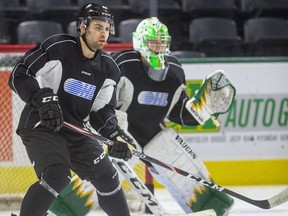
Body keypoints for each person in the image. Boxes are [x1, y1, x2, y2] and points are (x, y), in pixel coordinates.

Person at [8, 3, 135, 216]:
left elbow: (101, 111)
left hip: (75, 130)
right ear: (82, 27)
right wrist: (42, 98)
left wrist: (114, 135)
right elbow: (20, 75)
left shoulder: (109, 68)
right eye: (97, 27)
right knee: (57, 175)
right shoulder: (58, 47)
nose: (103, 33)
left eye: (106, 28)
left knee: (108, 176)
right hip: (41, 125)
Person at [112, 17, 235, 216]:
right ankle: (69, 205)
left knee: (178, 160)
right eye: (153, 41)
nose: (158, 47)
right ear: (141, 42)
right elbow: (104, 102)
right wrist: (111, 132)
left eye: (162, 42)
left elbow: (178, 112)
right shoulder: (124, 63)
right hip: (120, 131)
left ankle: (210, 204)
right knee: (105, 169)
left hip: (152, 132)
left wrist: (203, 107)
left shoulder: (175, 70)